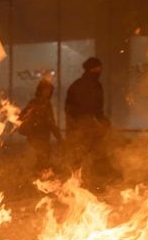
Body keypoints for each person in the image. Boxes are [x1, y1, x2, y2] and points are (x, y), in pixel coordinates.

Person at [64, 56, 116, 186]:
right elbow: (94, 108)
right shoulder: (91, 85)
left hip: (83, 127)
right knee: (90, 153)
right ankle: (92, 181)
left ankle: (88, 181)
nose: (100, 71)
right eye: (98, 68)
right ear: (92, 69)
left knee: (86, 154)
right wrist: (100, 121)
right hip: (85, 127)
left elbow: (69, 108)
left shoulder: (77, 85)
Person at [18, 78, 63, 174]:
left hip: (41, 137)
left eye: (49, 91)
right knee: (42, 160)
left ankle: (36, 177)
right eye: (45, 90)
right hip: (36, 137)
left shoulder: (40, 103)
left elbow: (51, 123)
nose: (47, 92)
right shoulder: (38, 103)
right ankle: (36, 178)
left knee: (41, 160)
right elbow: (21, 117)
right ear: (40, 90)